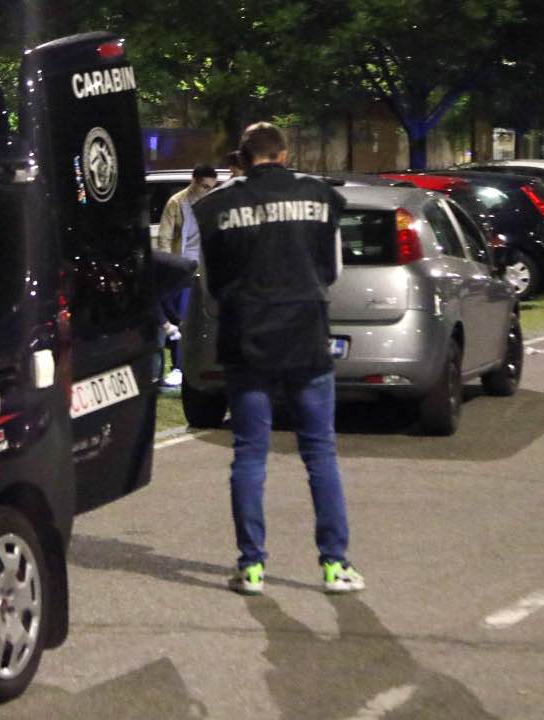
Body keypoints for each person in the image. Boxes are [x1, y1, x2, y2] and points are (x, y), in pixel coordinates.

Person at [192, 122, 364, 595]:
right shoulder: (319, 196)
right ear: (284, 154)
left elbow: (211, 281)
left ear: (244, 158)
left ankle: (251, 566)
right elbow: (332, 270)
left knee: (249, 454)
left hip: (246, 338)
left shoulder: (215, 205)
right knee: (320, 453)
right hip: (306, 336)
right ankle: (335, 565)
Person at [155, 164, 217, 387]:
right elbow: (164, 237)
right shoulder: (177, 203)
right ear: (194, 181)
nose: (207, 191)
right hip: (180, 268)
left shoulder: (212, 203)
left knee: (185, 319)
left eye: (211, 187)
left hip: (200, 269)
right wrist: (166, 269)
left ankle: (181, 367)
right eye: (204, 186)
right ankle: (173, 368)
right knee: (175, 318)